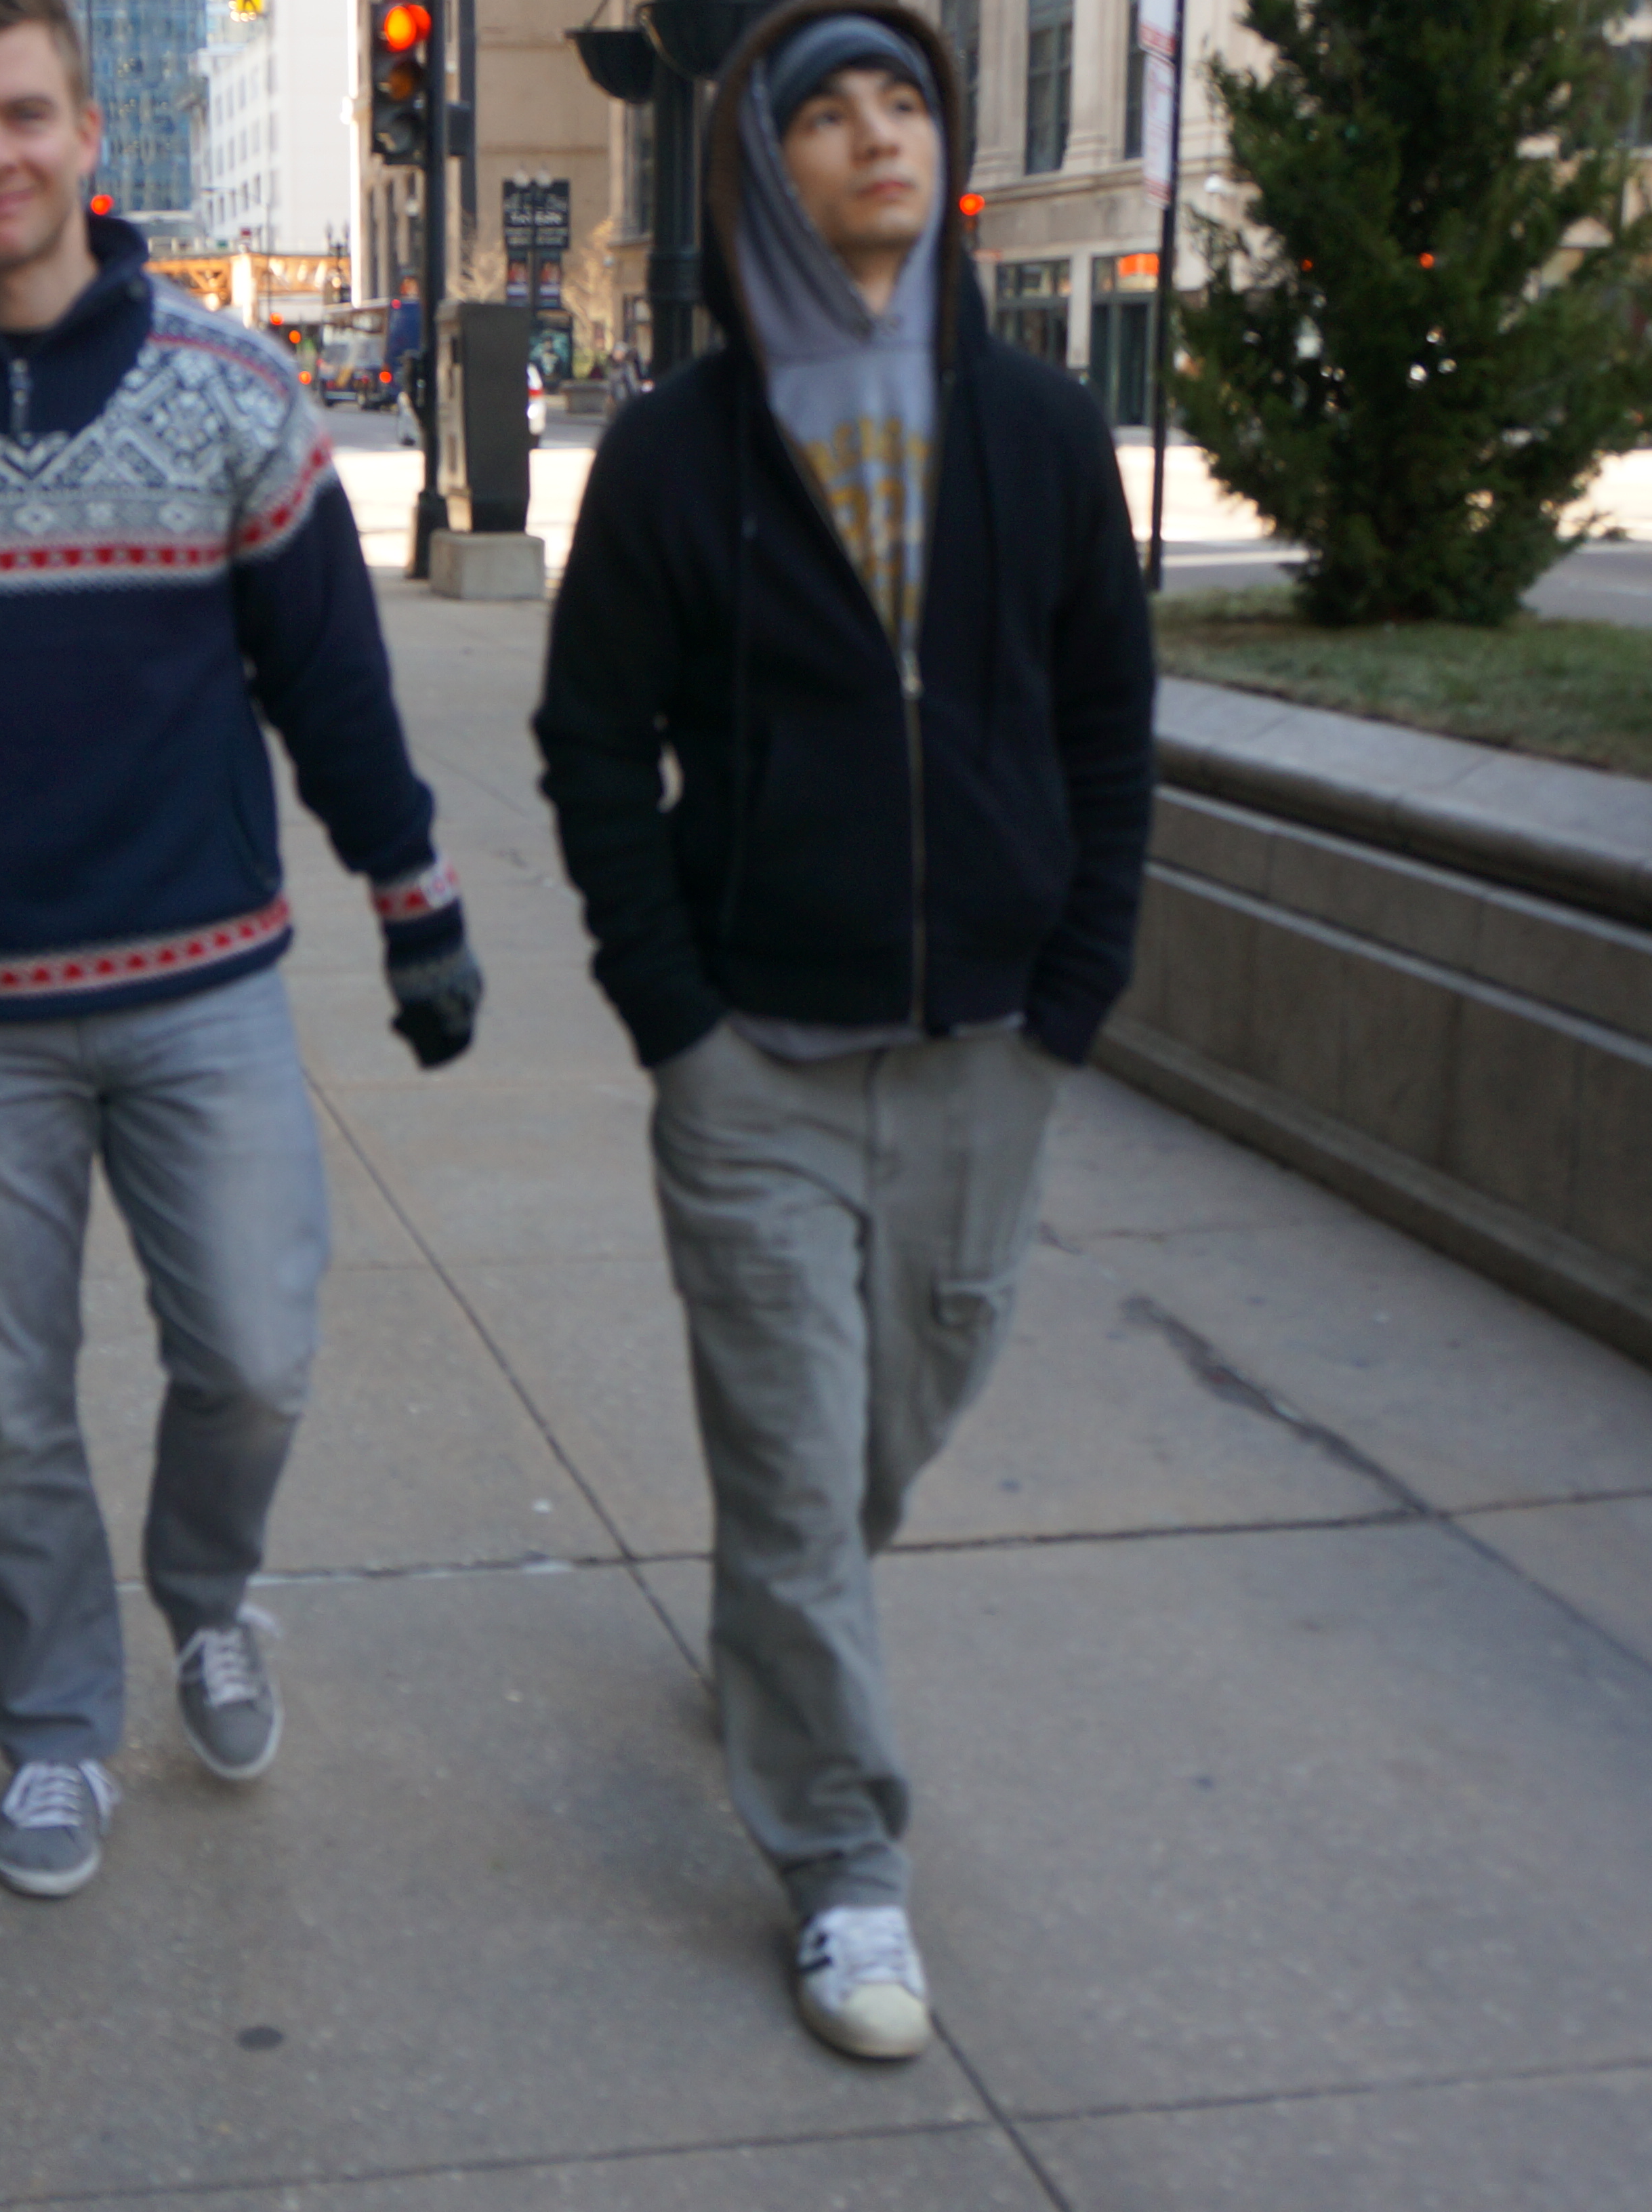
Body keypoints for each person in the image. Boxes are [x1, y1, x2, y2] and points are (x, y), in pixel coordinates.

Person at [0, 0, 481, 1900]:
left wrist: (413, 898)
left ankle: (207, 1597)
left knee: (256, 1357)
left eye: (25, 114)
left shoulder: (233, 384)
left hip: (201, 989)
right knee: (7, 1408)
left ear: (88, 132)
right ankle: (56, 1731)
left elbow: (328, 675)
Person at [533, 0, 1155, 2060]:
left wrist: (1075, 992)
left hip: (990, 1045)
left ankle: (774, 1624)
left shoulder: (1042, 432)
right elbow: (592, 742)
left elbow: (1108, 723)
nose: (883, 133)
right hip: (757, 1061)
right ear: (760, 166)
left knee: (891, 1430)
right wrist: (672, 1013)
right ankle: (843, 1867)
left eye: (909, 100)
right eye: (831, 112)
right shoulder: (677, 452)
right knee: (797, 1475)